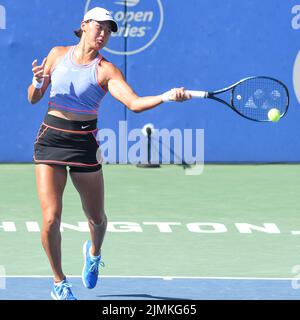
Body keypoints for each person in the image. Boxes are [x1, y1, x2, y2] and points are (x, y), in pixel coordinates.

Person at [27, 7, 191, 300]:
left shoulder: (106, 70)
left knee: (97, 218)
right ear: (84, 25)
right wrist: (38, 82)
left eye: (108, 30)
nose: (103, 34)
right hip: (50, 140)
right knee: (51, 218)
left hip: (84, 145)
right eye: (99, 27)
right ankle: (59, 282)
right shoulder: (56, 54)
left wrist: (167, 96)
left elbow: (135, 103)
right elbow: (33, 98)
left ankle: (93, 253)